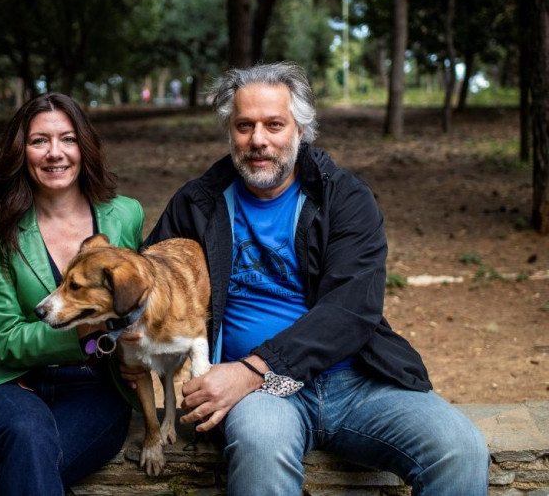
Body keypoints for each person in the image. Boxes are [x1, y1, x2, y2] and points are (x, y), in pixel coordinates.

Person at [142, 62, 490, 495]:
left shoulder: (343, 197)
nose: (258, 141)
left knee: (460, 448)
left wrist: (252, 369)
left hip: (355, 381)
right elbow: (152, 286)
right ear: (230, 132)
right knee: (260, 443)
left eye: (274, 124)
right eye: (244, 126)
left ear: (301, 130)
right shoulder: (197, 205)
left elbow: (351, 310)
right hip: (260, 398)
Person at [0, 92, 144, 495]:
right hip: (8, 381)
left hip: (96, 386)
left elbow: (137, 305)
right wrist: (85, 332)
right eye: (39, 141)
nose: (55, 153)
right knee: (29, 436)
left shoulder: (125, 215)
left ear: (84, 147)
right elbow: (5, 339)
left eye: (68, 139)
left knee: (28, 465)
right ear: (22, 152)